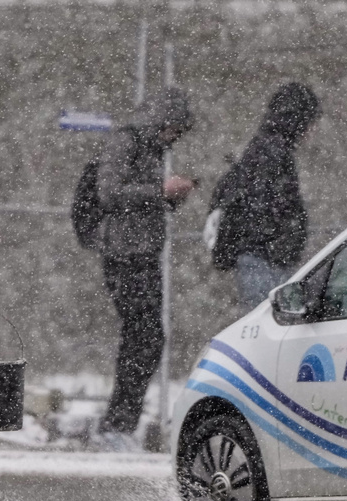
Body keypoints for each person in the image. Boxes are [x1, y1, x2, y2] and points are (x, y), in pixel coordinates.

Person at [94, 86, 196, 452]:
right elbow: (109, 193)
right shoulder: (127, 141)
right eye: (172, 130)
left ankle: (121, 422)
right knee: (144, 337)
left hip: (142, 253)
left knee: (145, 338)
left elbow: (134, 197)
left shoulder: (150, 149)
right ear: (161, 122)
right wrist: (159, 191)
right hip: (126, 255)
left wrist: (169, 196)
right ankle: (117, 424)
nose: (173, 138)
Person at [209, 82, 321, 312]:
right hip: (266, 260)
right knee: (271, 319)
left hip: (263, 257)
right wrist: (283, 241)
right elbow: (263, 209)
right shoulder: (272, 153)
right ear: (299, 121)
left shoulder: (266, 148)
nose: (314, 130)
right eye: (311, 122)